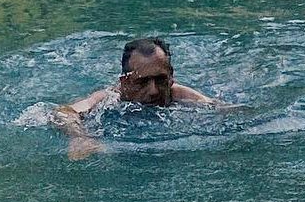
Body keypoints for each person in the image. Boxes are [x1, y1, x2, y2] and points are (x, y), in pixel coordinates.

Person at [52, 37, 221, 159]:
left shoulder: (182, 95)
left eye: (161, 79)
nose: (154, 90)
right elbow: (64, 112)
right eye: (142, 81)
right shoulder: (110, 98)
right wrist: (80, 138)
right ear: (125, 82)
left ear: (171, 78)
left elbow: (224, 110)